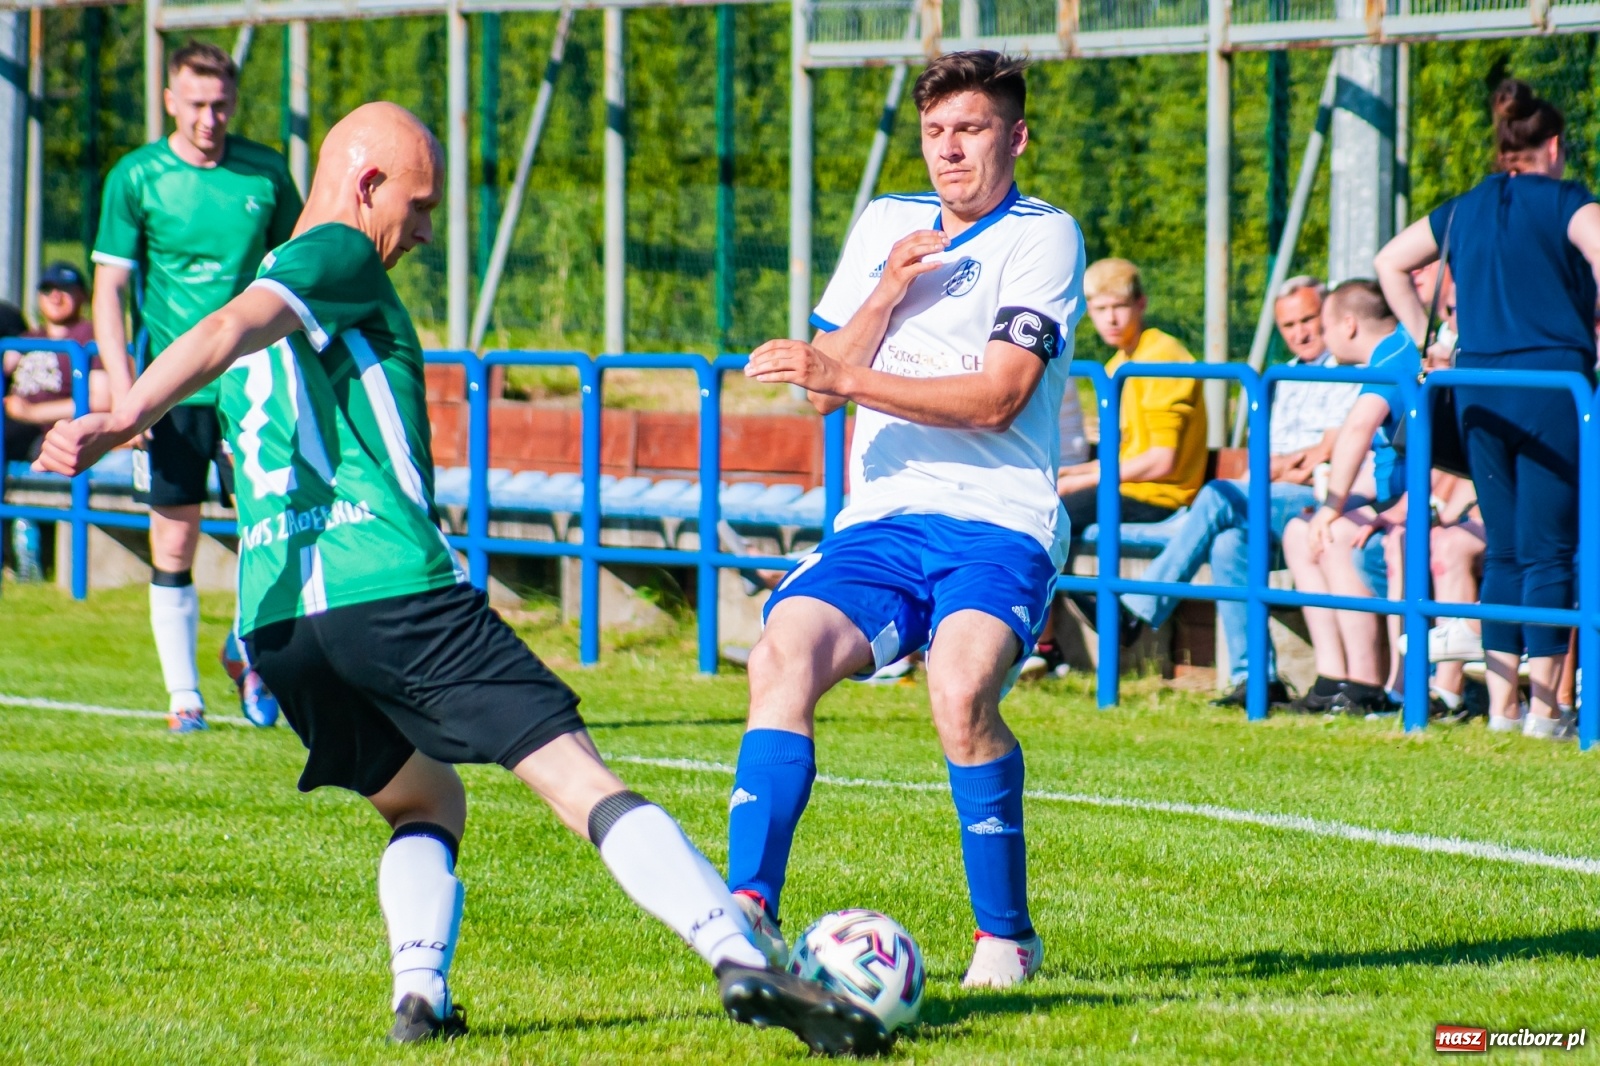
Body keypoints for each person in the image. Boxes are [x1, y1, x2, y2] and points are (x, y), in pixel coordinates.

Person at [33, 101, 884, 1056]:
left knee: (427, 800)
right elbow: (239, 321)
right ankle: (741, 954)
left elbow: (234, 362)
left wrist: (138, 423)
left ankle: (420, 996)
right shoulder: (336, 256)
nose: (428, 231)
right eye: (421, 202)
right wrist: (121, 415)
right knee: (576, 778)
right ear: (364, 186)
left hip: (281, 623)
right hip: (390, 590)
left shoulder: (265, 316)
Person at [729, 50, 1082, 990]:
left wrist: (845, 378)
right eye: (934, 132)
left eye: (970, 130)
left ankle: (1005, 940)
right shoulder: (887, 223)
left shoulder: (1044, 237)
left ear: (1014, 137)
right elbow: (818, 390)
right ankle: (748, 917)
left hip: (999, 519)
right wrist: (885, 288)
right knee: (781, 655)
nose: (949, 151)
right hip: (881, 518)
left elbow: (1003, 397)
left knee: (961, 691)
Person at [1376, 78, 1600, 739]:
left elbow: (1391, 262)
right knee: (1551, 551)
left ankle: (1501, 710)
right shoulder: (1567, 200)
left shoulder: (1465, 208)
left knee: (1504, 548)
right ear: (1553, 146)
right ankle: (1545, 708)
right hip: (1553, 391)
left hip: (1474, 389)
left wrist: (1432, 340)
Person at [92, 40, 302, 733]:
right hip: (174, 393)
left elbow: (298, 275)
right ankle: (184, 698)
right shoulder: (137, 177)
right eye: (197, 105)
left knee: (268, 532)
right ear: (169, 101)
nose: (211, 118)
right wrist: (128, 399)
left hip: (257, 385)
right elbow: (110, 290)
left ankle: (251, 652)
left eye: (222, 105)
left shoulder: (266, 174)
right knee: (173, 542)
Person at [1117, 276, 1363, 707]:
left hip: (1325, 501)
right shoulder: (1281, 377)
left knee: (1218, 496)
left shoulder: (1351, 371)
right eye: (1289, 325)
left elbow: (1330, 452)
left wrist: (1291, 463)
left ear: (1326, 315)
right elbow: (1263, 458)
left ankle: (1139, 606)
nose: (1301, 332)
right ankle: (1257, 680)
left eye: (1308, 319)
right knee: (1229, 544)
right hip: (1273, 497)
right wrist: (1292, 462)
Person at [1286, 280, 1419, 715]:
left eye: (1324, 325)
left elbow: (1359, 429)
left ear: (1347, 323)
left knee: (1336, 534)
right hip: (1387, 499)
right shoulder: (1389, 353)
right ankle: (1332, 675)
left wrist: (1332, 506)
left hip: (1413, 508)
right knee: (1297, 532)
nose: (1321, 337)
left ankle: (1365, 681)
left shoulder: (1395, 354)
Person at [1055, 258, 1207, 551]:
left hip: (1159, 497)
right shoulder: (1118, 364)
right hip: (1128, 486)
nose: (1111, 319)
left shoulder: (1161, 357)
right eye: (1100, 309)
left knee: (1048, 515)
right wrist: (1075, 473)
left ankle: (1049, 598)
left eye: (1120, 306)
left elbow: (1162, 461)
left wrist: (1081, 481)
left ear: (1141, 304)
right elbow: (1130, 454)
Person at [4, 264, 107, 463]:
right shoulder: (26, 339)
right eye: (47, 289)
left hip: (52, 432)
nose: (55, 296)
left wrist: (32, 413)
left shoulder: (91, 337)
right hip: (12, 425)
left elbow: (102, 400)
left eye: (65, 289)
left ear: (84, 295)